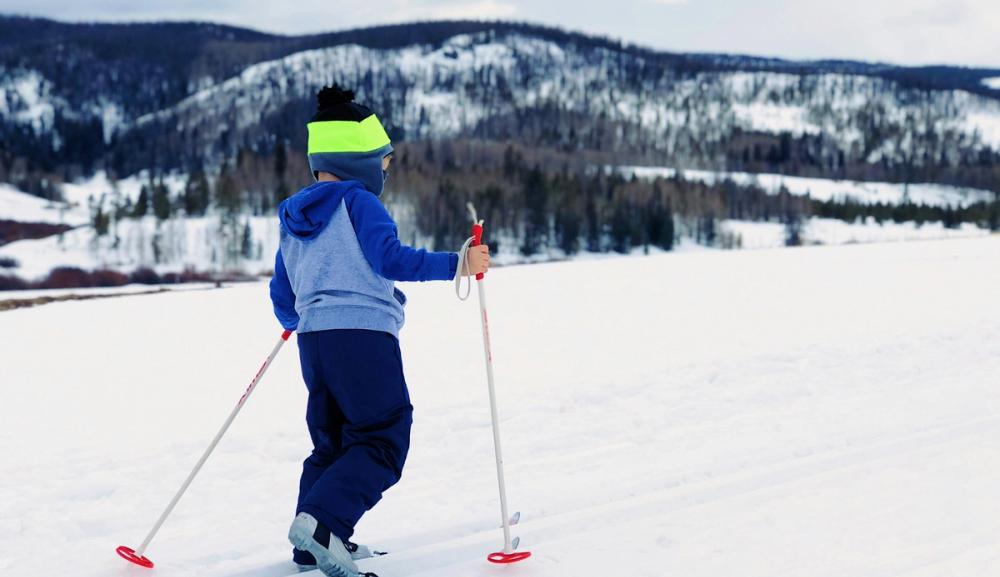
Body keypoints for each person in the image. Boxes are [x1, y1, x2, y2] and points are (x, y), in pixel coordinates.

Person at [269, 84, 489, 576]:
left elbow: (282, 292)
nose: (385, 173)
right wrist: (458, 263)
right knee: (383, 435)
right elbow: (390, 259)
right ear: (361, 158)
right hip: (363, 336)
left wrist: (294, 321)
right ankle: (324, 525)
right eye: (384, 163)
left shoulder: (293, 216)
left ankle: (316, 541)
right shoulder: (358, 202)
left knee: (332, 441)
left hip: (313, 342)